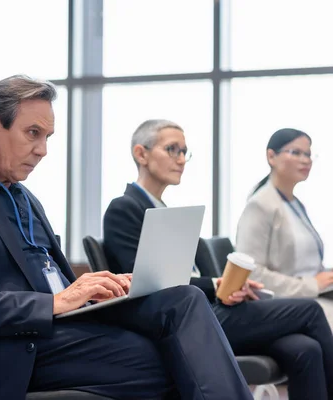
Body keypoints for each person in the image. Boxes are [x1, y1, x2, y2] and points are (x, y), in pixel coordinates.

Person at [0, 75, 255, 400]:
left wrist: (95, 288)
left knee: (186, 298)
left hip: (63, 327)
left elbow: (54, 279)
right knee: (173, 357)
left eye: (47, 137)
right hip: (11, 346)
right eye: (32, 133)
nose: (43, 150)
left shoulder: (24, 197)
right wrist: (54, 303)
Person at [103, 119, 333, 400]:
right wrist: (216, 284)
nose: (180, 159)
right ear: (141, 154)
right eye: (172, 149)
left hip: (212, 308)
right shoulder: (124, 208)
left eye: (183, 151)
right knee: (310, 310)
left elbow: (204, 275)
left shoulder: (168, 212)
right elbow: (144, 280)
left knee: (305, 349)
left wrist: (233, 288)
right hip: (188, 317)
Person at [236, 128, 333, 327]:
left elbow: (306, 265)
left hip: (313, 297)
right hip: (287, 304)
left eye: (308, 154)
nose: (306, 160)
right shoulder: (260, 205)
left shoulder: (295, 204)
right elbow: (252, 274)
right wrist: (311, 285)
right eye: (296, 153)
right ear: (271, 156)